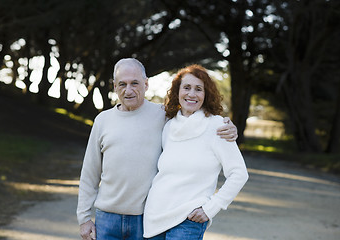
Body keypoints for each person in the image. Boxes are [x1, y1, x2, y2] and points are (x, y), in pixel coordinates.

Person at [77, 58, 238, 240]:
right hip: (106, 218)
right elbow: (89, 174)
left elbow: (194, 120)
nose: (128, 90)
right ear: (115, 86)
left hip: (143, 218)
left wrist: (228, 128)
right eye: (122, 84)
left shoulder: (164, 116)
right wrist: (84, 219)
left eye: (135, 83)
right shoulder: (102, 121)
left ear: (146, 84)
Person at [143, 64, 249, 239]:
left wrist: (211, 208)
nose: (191, 94)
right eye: (186, 88)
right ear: (178, 92)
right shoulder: (168, 126)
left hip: (188, 219)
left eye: (198, 89)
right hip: (155, 216)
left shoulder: (217, 126)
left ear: (206, 94)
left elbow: (239, 173)